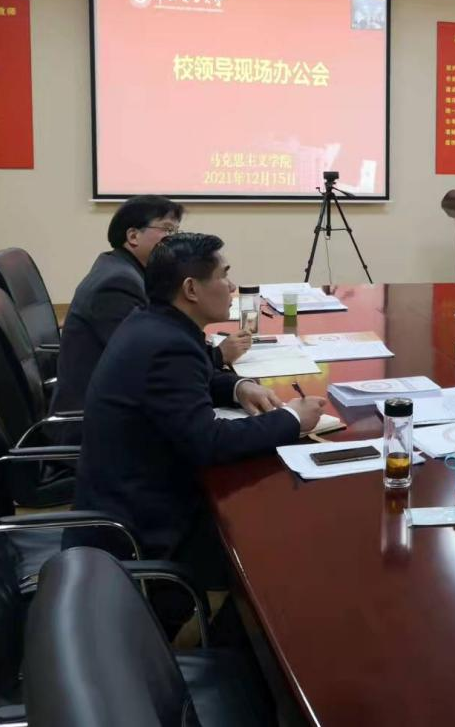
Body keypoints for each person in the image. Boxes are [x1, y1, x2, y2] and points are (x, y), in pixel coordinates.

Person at [69, 232, 326, 582]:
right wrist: (292, 418)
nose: (231, 286)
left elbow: (194, 376)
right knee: (286, 532)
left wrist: (238, 386)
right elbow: (209, 442)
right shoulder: (169, 345)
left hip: (129, 494)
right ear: (191, 289)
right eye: (223, 275)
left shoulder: (153, 321)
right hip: (146, 526)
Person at [50, 195, 251, 412]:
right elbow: (154, 363)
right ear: (133, 236)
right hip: (89, 418)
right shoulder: (117, 283)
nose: (175, 239)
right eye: (168, 230)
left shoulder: (122, 268)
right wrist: (218, 355)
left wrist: (235, 385)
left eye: (177, 231)